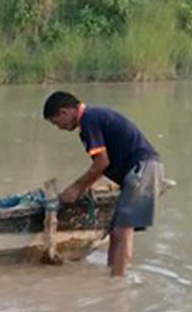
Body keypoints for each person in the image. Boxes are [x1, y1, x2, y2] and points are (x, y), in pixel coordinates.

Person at [43, 91, 164, 277]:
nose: (59, 127)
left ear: (64, 112)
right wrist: (88, 185)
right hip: (140, 172)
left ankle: (118, 284)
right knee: (115, 233)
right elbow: (108, 160)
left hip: (143, 169)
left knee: (123, 231)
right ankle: (112, 276)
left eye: (56, 122)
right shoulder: (93, 118)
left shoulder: (89, 120)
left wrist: (76, 188)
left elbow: (101, 162)